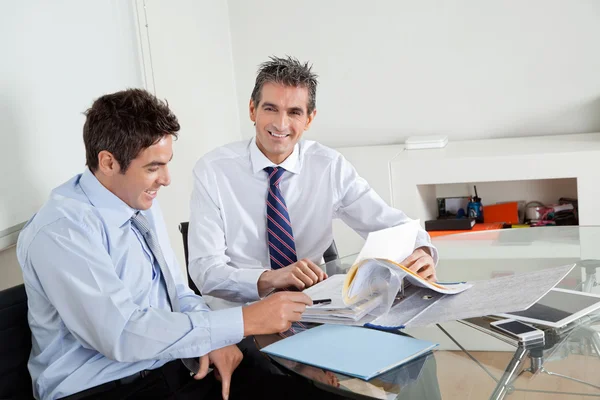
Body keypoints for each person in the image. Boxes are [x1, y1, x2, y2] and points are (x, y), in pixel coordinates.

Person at [16, 89, 345, 400]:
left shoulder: (138, 201)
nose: (166, 179)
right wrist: (245, 321)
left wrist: (214, 338)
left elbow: (178, 293)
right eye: (153, 167)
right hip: (103, 387)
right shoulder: (62, 232)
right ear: (108, 163)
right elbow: (123, 335)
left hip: (167, 365)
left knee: (302, 389)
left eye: (166, 162)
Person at [188, 56, 438, 311]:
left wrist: (421, 250)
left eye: (294, 112)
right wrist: (270, 278)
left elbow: (391, 224)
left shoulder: (328, 166)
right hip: (241, 313)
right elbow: (204, 271)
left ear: (309, 119)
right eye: (270, 108)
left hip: (311, 308)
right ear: (253, 109)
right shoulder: (214, 170)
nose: (280, 124)